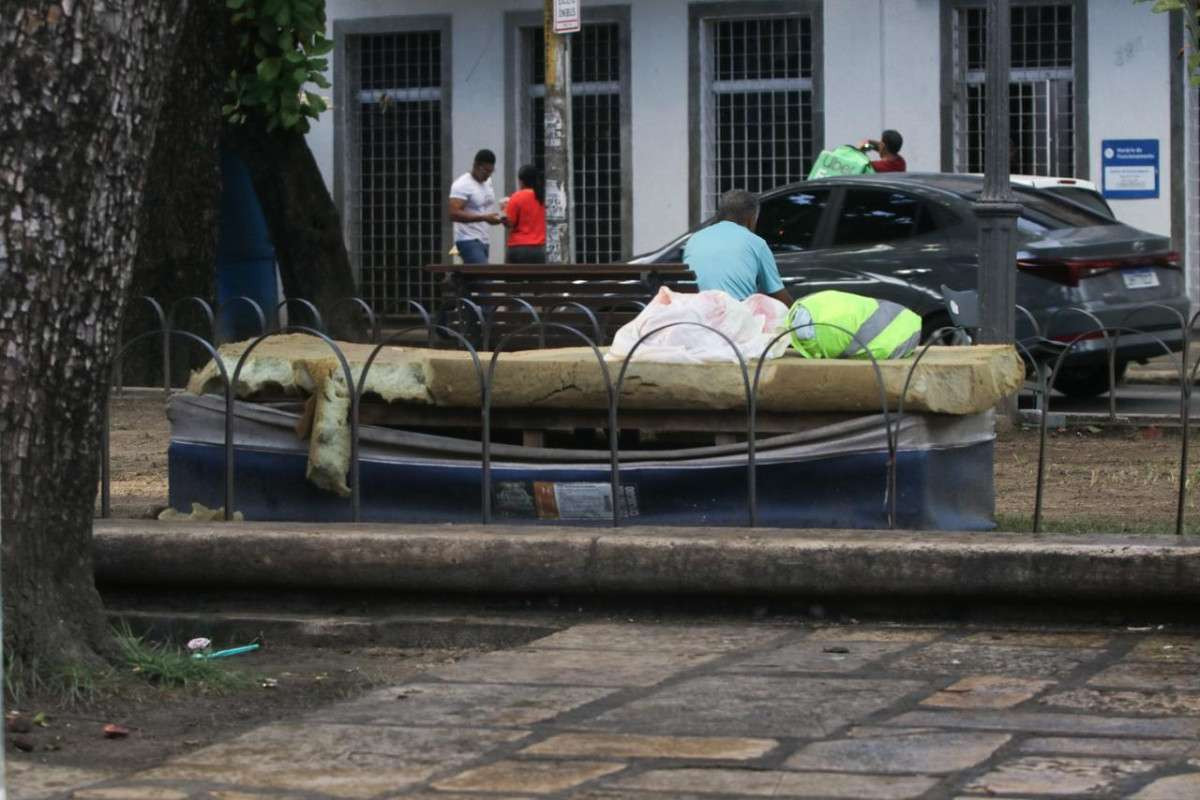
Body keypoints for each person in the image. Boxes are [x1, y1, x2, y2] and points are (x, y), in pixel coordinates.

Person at [682, 189, 793, 307]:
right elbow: (776, 293)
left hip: (696, 315)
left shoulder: (694, 239)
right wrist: (798, 312)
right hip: (734, 318)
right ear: (751, 219)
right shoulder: (756, 243)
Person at [449, 149, 503, 264]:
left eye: (491, 171)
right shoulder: (462, 184)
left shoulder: (487, 182)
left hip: (484, 239)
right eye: (486, 171)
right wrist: (483, 218)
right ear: (476, 166)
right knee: (484, 276)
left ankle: (457, 279)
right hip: (468, 239)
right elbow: (453, 214)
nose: (488, 175)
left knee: (475, 278)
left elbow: (484, 207)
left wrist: (499, 217)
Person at [504, 164, 547, 263]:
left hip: (518, 248)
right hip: (538, 249)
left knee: (514, 278)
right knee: (537, 278)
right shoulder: (542, 197)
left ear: (521, 181)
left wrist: (503, 214)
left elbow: (510, 223)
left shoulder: (517, 197)